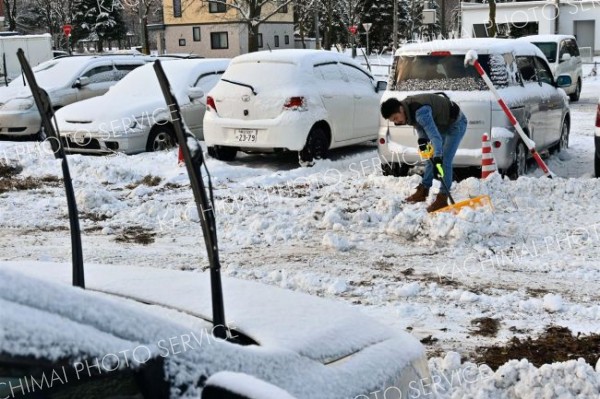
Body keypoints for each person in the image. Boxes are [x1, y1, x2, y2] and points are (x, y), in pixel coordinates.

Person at [380, 94, 467, 212]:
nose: (397, 122)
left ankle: (442, 198)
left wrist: (438, 158)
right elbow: (420, 127)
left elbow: (435, 138)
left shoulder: (420, 112)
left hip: (456, 123)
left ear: (401, 109)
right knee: (428, 157)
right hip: (441, 124)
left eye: (396, 118)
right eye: (393, 120)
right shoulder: (407, 110)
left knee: (444, 160)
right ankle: (424, 190)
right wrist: (422, 140)